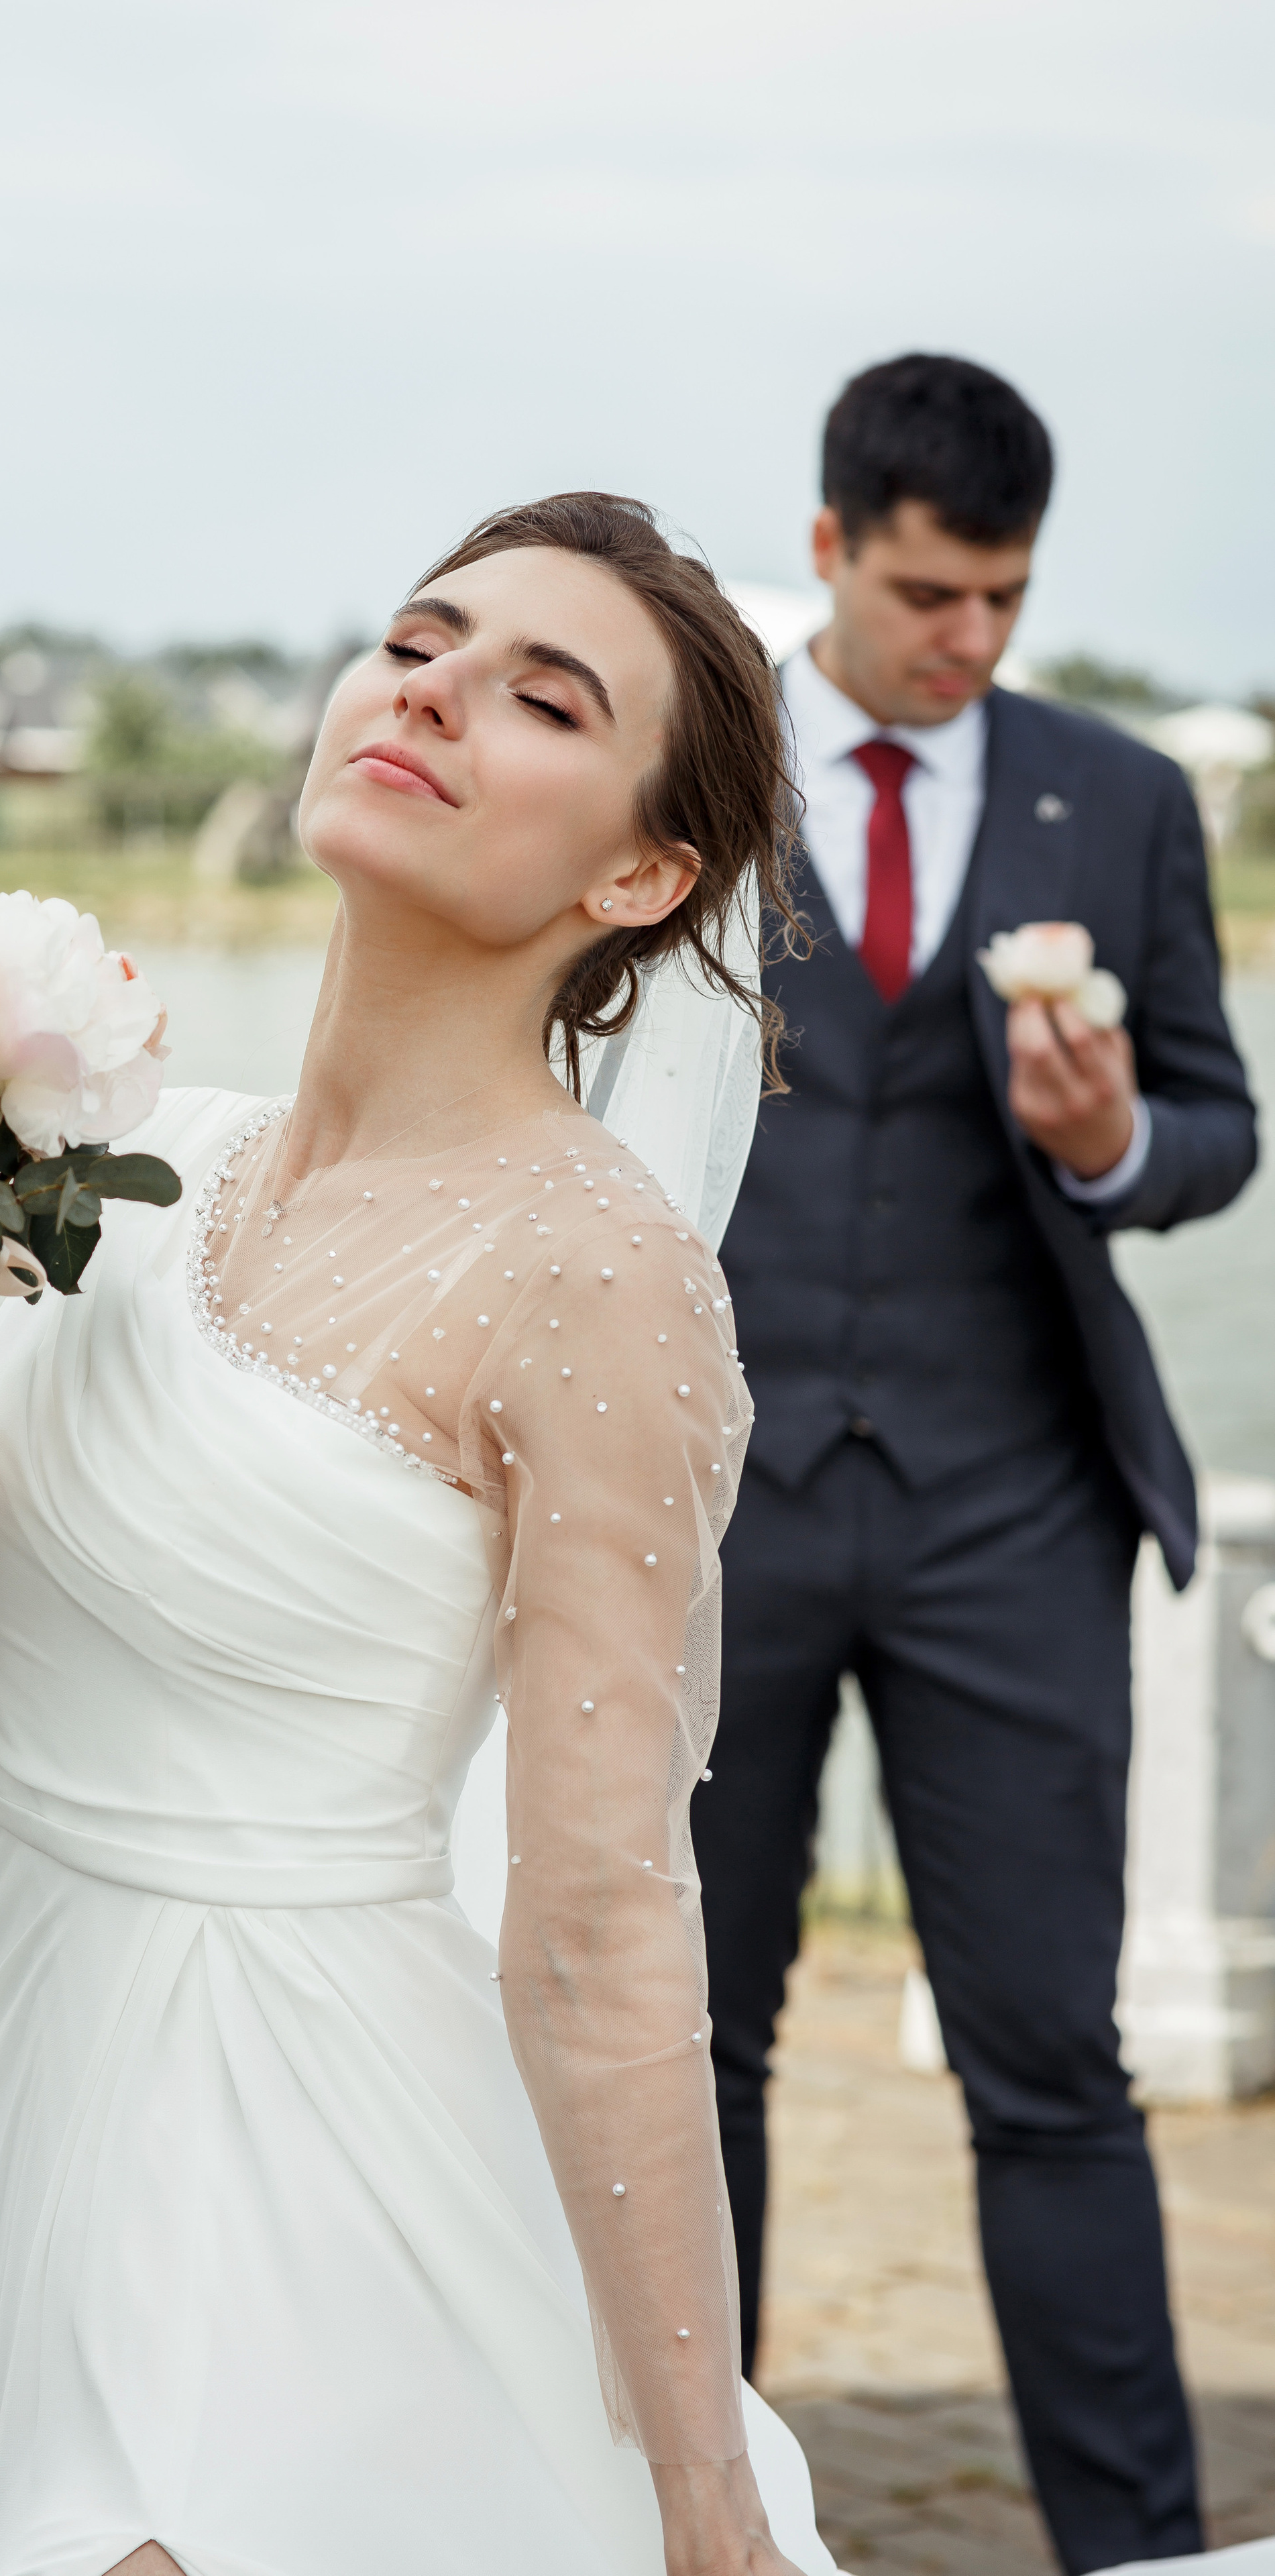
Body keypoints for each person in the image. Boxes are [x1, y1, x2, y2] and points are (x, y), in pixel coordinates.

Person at [0, 494, 840, 2576]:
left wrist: (706, 2510)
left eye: (541, 695)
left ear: (640, 871)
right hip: (13, 2114)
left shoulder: (596, 1279)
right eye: (420, 639)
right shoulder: (119, 1168)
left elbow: (604, 1921)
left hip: (301, 2174)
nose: (433, 688)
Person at [692, 356, 1258, 2575]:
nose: (973, 641)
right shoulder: (686, 768)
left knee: (1056, 2066)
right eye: (932, 591)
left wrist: (1116, 1137)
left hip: (1014, 1512)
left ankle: (1140, 2556)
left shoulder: (1116, 799)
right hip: (707, 1508)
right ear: (829, 546)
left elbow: (1215, 1117)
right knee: (686, 2052)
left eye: (1007, 597)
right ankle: (683, 2525)